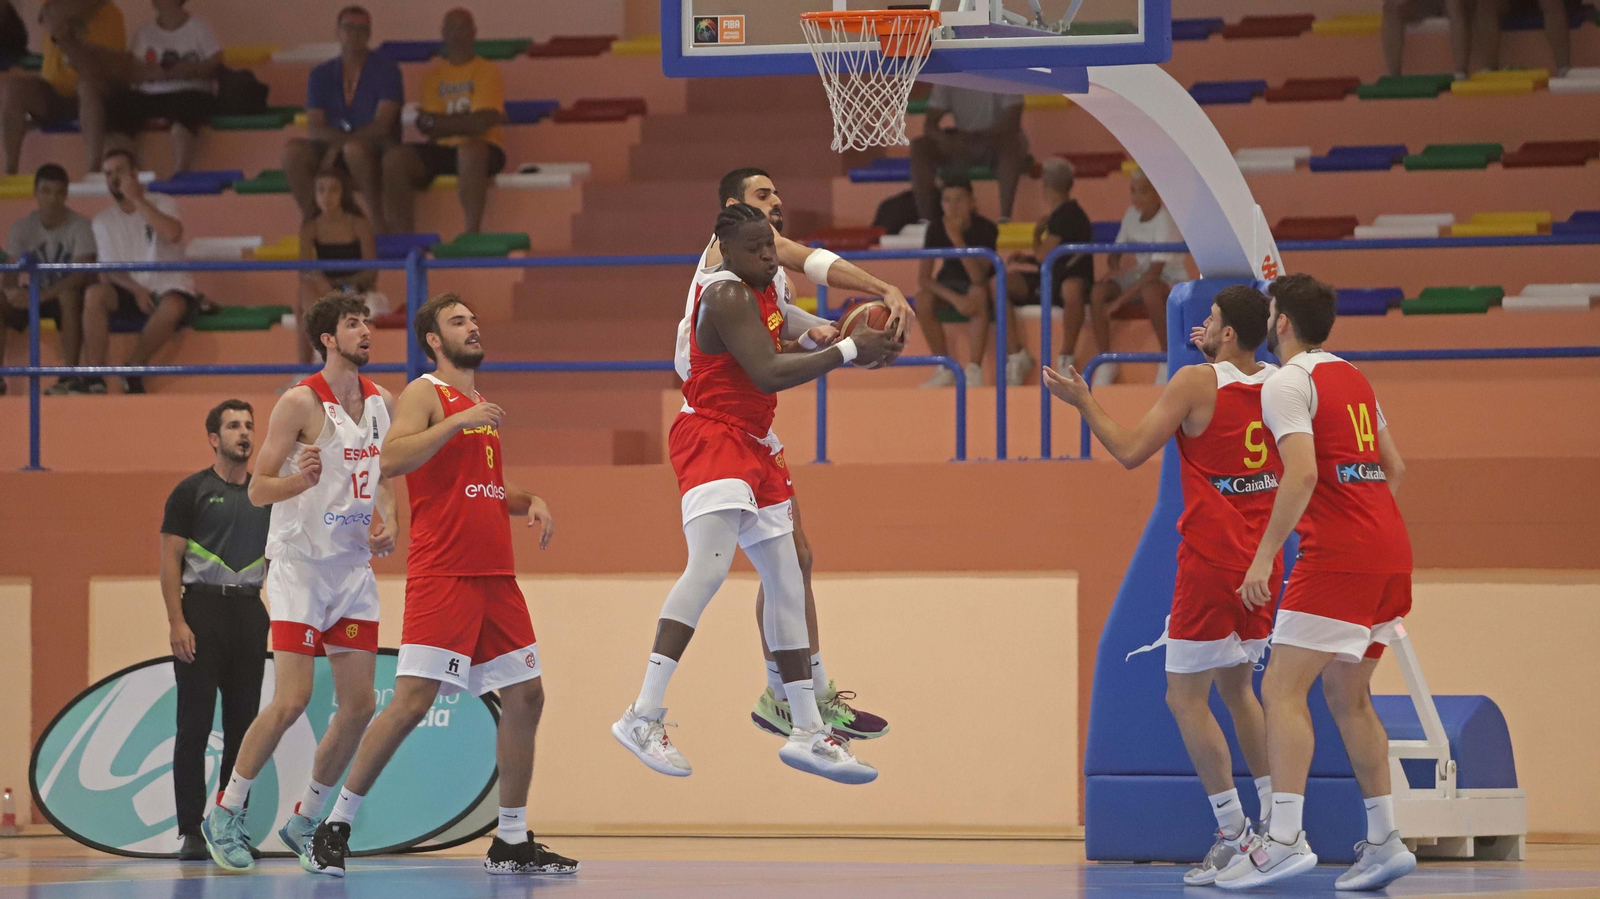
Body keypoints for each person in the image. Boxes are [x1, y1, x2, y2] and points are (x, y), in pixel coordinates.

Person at [612, 203, 900, 784]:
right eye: (757, 249)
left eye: (771, 245)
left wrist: (815, 329)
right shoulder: (725, 295)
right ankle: (642, 714)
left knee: (788, 578)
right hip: (712, 434)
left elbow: (781, 330)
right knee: (710, 569)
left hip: (754, 441)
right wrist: (847, 349)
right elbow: (768, 372)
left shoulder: (764, 283)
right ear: (723, 249)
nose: (770, 256)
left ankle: (807, 731)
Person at [305, 293, 578, 878]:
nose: (473, 327)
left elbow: (479, 489)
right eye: (459, 322)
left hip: (495, 576)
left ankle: (509, 839)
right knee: (411, 702)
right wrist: (456, 420)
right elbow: (391, 458)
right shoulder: (427, 393)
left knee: (527, 696)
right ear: (433, 339)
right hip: (445, 572)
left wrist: (529, 500)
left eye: (474, 320)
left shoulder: (479, 403)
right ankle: (334, 826)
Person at [1043, 286, 1281, 886]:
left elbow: (1128, 450)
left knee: (1184, 699)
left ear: (1226, 334)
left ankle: (1233, 833)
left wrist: (1082, 401)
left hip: (1211, 560)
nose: (1201, 325)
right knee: (1239, 689)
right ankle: (1281, 823)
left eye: (1211, 320)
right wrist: (1218, 344)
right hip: (1262, 561)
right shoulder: (1281, 381)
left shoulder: (1193, 384)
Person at [688, 167, 909, 742]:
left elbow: (781, 313)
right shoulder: (729, 265)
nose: (778, 202)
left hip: (750, 423)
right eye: (764, 196)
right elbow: (810, 262)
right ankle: (786, 695)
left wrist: (821, 330)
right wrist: (879, 294)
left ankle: (794, 693)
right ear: (732, 209)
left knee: (794, 560)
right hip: (717, 423)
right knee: (753, 567)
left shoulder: (755, 263)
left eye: (778, 194)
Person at [1214, 274, 1417, 891]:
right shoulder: (1354, 377)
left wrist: (1263, 556)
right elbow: (1395, 468)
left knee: (1279, 689)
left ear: (1278, 323)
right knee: (1347, 694)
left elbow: (1300, 476)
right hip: (1390, 547)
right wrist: (1365, 518)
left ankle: (1283, 838)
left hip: (1341, 557)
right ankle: (1384, 841)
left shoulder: (1287, 381)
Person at [199, 294, 395, 872]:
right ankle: (226, 810)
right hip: (298, 569)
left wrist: (391, 525)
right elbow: (258, 488)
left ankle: (306, 821)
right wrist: (299, 482)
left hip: (352, 570)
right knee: (292, 698)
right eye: (353, 324)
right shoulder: (300, 402)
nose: (366, 331)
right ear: (328, 338)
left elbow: (387, 478)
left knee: (359, 706)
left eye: (367, 322)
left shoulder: (384, 403)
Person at [159, 398, 271, 861]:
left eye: (248, 425)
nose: (243, 433)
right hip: (201, 613)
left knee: (244, 731)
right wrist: (176, 621)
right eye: (232, 426)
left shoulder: (267, 494)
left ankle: (231, 829)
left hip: (249, 614)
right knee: (194, 727)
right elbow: (169, 561)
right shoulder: (190, 492)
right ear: (213, 438)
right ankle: (191, 831)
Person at [81, 148, 198, 394]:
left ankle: (133, 367)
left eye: (120, 171)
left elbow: (173, 233)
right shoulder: (103, 220)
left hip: (168, 284)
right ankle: (93, 376)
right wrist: (135, 289)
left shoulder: (163, 202)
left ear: (134, 174)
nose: (114, 178)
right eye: (108, 173)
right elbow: (109, 269)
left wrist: (137, 200)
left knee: (174, 306)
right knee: (95, 294)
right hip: (128, 287)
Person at [382, 8, 506, 235]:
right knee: (395, 158)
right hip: (442, 149)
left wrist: (440, 123)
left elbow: (481, 124)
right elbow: (429, 130)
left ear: (474, 32)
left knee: (470, 149)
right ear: (443, 33)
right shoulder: (432, 76)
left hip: (484, 149)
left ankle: (472, 233)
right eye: (451, 28)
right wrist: (459, 122)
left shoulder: (487, 70)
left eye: (463, 27)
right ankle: (404, 240)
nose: (457, 33)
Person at [284, 6, 402, 231]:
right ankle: (316, 222)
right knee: (293, 151)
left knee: (355, 150)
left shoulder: (387, 69)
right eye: (349, 28)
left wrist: (338, 146)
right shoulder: (320, 74)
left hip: (374, 148)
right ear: (337, 32)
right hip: (332, 147)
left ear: (369, 34)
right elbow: (315, 128)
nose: (355, 34)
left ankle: (377, 221)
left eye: (362, 29)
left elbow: (382, 125)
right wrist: (337, 146)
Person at [1, 163, 96, 396]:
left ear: (66, 194)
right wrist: (12, 293)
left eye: (58, 192)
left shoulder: (81, 226)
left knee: (68, 295)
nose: (53, 199)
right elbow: (10, 274)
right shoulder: (22, 228)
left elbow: (80, 275)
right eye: (46, 191)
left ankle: (69, 376)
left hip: (62, 295)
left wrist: (38, 296)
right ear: (35, 193)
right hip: (35, 293)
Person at [1, 0, 127, 175]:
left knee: (88, 87)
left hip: (99, 97)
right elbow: (49, 12)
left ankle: (93, 171)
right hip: (55, 94)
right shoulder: (52, 6)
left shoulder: (111, 16)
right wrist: (59, 22)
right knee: (13, 89)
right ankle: (10, 173)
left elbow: (95, 71)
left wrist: (63, 37)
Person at [1090, 168, 1189, 386]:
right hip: (1141, 276)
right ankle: (1107, 361)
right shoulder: (1131, 214)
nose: (1136, 198)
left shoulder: (1166, 221)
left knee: (1150, 291)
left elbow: (1154, 275)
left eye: (1142, 192)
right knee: (1098, 291)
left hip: (1170, 279)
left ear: (1157, 193)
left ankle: (1167, 358)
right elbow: (1115, 253)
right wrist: (1114, 267)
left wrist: (1119, 301)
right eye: (1133, 191)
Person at [109, 0, 223, 174]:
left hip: (190, 92)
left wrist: (183, 71)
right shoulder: (144, 32)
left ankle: (181, 172)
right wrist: (159, 74)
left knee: (187, 111)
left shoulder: (198, 27)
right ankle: (126, 172)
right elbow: (131, 70)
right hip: (151, 94)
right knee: (119, 107)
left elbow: (215, 64)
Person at [1005, 157, 1094, 377]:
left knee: (1070, 289)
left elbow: (1044, 255)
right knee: (1001, 283)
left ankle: (1066, 355)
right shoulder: (1066, 214)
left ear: (1045, 186)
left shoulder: (1066, 214)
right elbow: (1052, 255)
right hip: (1050, 278)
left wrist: (1036, 236)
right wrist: (1027, 260)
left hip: (1064, 282)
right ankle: (1017, 354)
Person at [916, 174, 1000, 389]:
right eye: (947, 200)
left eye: (960, 199)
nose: (953, 207)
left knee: (978, 295)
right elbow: (924, 278)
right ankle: (944, 367)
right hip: (949, 285)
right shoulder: (935, 228)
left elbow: (978, 277)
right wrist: (954, 299)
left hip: (976, 284)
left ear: (972, 202)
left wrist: (957, 239)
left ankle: (974, 370)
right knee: (922, 300)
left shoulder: (986, 228)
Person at [296, 171, 381, 370]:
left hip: (355, 288)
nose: (327, 196)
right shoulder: (310, 227)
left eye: (333, 190)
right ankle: (304, 369)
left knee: (306, 299)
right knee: (304, 290)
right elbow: (304, 269)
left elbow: (371, 271)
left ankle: (321, 355)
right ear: (315, 195)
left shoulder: (358, 224)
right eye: (321, 190)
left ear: (344, 194)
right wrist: (322, 282)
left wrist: (344, 284)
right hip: (323, 291)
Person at [909, 84, 1028, 223]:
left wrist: (979, 137)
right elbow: (929, 125)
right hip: (964, 141)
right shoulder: (949, 78)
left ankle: (1005, 219)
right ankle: (925, 221)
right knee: (919, 146)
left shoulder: (1002, 75)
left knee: (1012, 143)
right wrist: (945, 139)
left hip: (996, 141)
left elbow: (1013, 121)